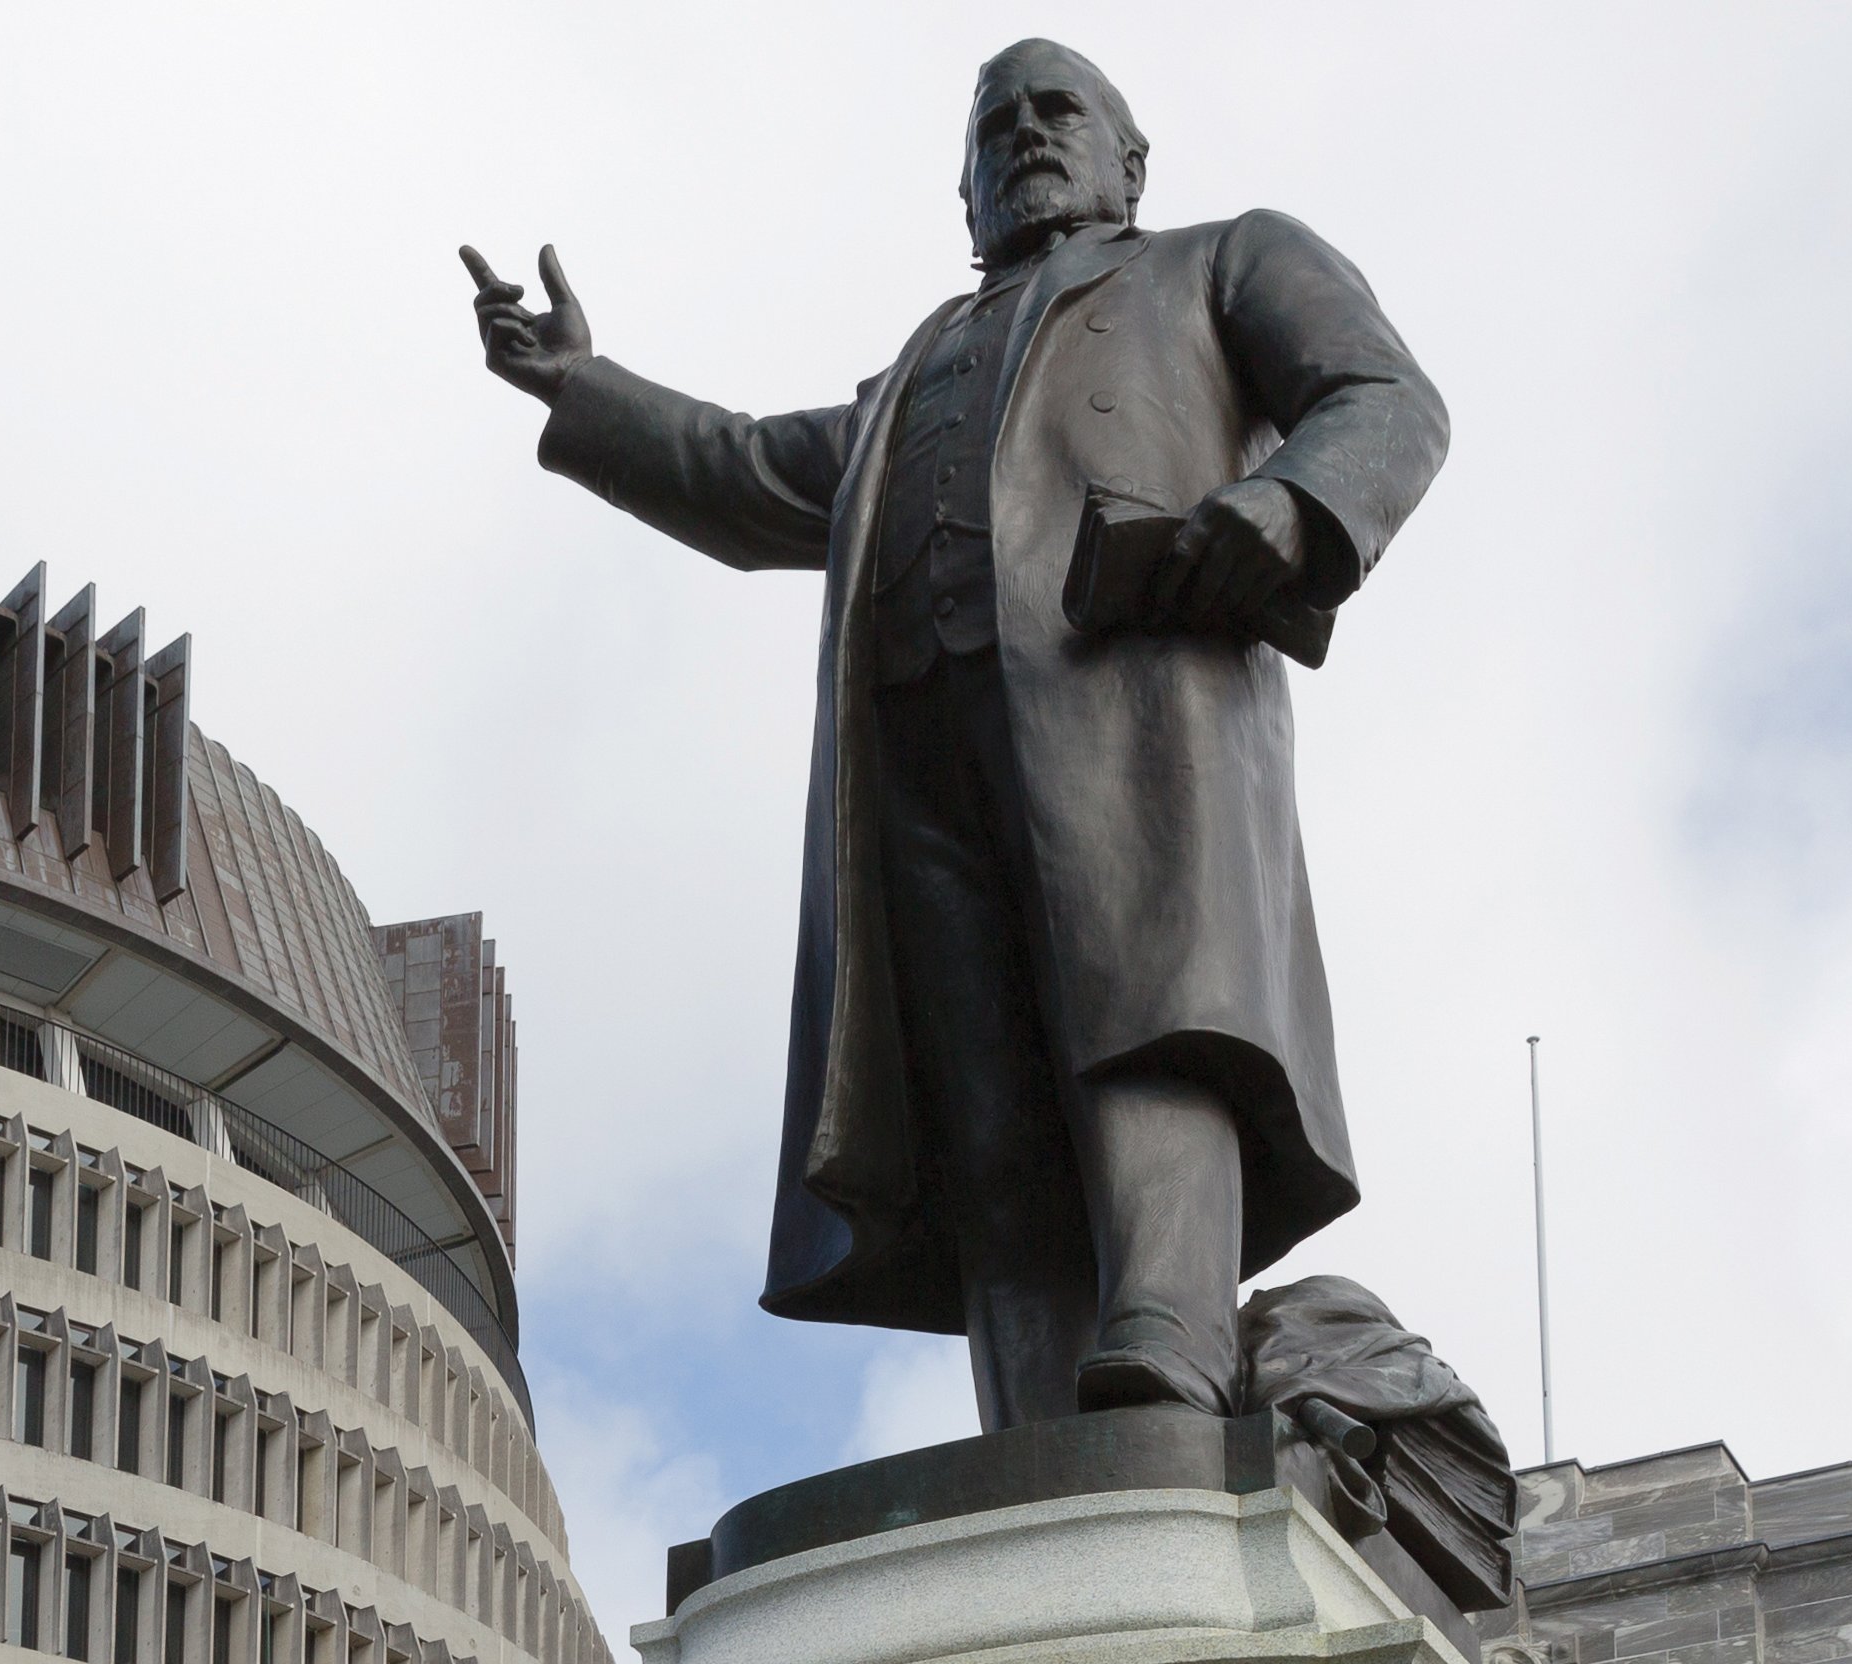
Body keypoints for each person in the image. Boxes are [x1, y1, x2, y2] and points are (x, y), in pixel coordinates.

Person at [461, 39, 1451, 1430]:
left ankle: (1168, 1323)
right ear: (964, 193)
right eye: (995, 129)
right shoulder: (917, 369)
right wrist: (580, 385)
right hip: (917, 751)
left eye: (1059, 113)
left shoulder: (1220, 261)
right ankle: (1038, 1420)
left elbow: (1385, 398)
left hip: (1128, 707)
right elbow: (748, 471)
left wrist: (1290, 505)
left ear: (1129, 162)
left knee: (1151, 1015)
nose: (1027, 139)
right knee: (982, 1096)